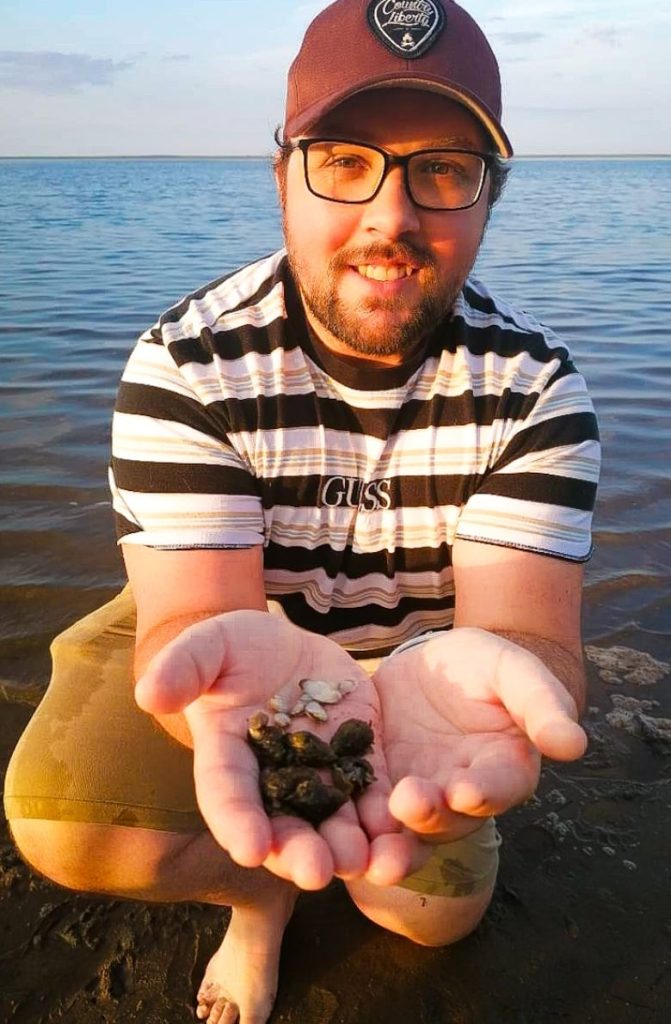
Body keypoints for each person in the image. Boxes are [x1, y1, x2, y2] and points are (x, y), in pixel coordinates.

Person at [4, 2, 600, 1022]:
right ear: (281, 173)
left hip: (425, 666)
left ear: (488, 196)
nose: (390, 215)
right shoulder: (186, 363)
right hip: (238, 626)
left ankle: (324, 859)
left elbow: (523, 631)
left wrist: (511, 672)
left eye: (442, 169)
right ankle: (254, 895)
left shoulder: (534, 389)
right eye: (344, 160)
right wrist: (223, 679)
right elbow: (194, 620)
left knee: (427, 917)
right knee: (63, 825)